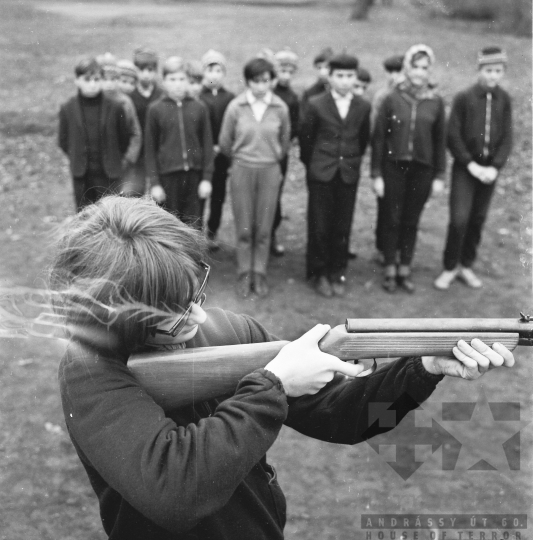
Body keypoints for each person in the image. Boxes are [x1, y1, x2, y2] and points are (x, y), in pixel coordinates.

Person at [53, 195, 515, 540]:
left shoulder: (232, 330)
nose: (199, 317)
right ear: (119, 319)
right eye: (173, 312)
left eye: (195, 293)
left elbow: (348, 421)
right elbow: (177, 493)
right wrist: (274, 386)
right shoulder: (90, 374)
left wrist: (423, 368)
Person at [434, 47, 513, 291]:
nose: (493, 76)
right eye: (488, 70)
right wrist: (470, 163)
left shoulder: (504, 99)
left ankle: (466, 265)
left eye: (497, 71)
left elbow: (507, 137)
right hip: (466, 168)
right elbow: (453, 134)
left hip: (489, 171)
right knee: (459, 219)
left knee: (477, 218)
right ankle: (450, 267)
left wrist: (495, 167)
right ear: (479, 70)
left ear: (503, 72)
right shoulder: (464, 98)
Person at [371, 44, 446, 294]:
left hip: (422, 170)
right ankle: (389, 268)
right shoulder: (392, 98)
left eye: (424, 68)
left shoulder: (435, 102)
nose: (419, 72)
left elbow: (440, 141)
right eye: (415, 67)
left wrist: (439, 175)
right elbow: (379, 138)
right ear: (407, 68)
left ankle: (405, 267)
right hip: (394, 167)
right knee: (392, 218)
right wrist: (376, 174)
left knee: (411, 220)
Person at [299, 53, 371, 298]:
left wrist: (350, 161)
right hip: (321, 172)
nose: (344, 81)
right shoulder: (316, 103)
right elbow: (306, 140)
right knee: (319, 225)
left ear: (355, 77)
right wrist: (316, 165)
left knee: (342, 224)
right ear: (329, 77)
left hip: (348, 173)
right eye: (339, 75)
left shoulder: (363, 106)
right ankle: (318, 272)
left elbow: (363, 139)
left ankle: (337, 270)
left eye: (350, 76)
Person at [219, 57, 290, 298]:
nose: (261, 86)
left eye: (265, 81)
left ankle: (259, 272)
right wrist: (242, 159)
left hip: (269, 170)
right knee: (244, 226)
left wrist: (270, 157)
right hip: (242, 169)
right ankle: (244, 272)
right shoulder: (236, 107)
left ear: (272, 82)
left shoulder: (280, 108)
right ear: (248, 82)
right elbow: (225, 142)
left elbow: (285, 142)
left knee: (264, 226)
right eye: (255, 81)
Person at [145, 57, 214, 227]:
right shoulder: (155, 109)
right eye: (172, 79)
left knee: (194, 226)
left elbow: (207, 145)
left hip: (194, 177)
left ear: (188, 80)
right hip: (168, 178)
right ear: (164, 82)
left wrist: (206, 179)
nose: (178, 84)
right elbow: (150, 150)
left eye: (182, 79)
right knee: (170, 227)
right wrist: (155, 184)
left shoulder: (199, 107)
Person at [58, 57, 131, 211]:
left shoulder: (115, 107)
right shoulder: (68, 108)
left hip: (109, 173)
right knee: (85, 215)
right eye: (87, 79)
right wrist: (77, 156)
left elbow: (124, 138)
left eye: (96, 79)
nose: (92, 84)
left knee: (111, 214)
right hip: (82, 175)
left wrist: (114, 157)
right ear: (77, 80)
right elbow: (63, 141)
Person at [198, 49, 235, 249]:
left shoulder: (230, 98)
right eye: (210, 70)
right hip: (202, 156)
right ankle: (196, 233)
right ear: (204, 72)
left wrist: (223, 146)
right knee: (200, 195)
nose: (214, 75)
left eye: (219, 70)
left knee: (218, 196)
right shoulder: (198, 96)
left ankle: (212, 231)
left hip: (222, 155)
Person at [370, 54, 405, 266]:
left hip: (405, 158)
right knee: (385, 206)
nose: (395, 76)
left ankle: (399, 248)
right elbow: (375, 129)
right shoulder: (382, 96)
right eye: (391, 72)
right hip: (386, 158)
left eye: (399, 71)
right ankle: (382, 247)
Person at [98, 53, 143, 196]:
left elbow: (135, 133)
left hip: (120, 162)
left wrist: (128, 158)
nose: (109, 84)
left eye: (113, 79)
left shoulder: (124, 102)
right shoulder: (93, 102)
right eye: (104, 79)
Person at [271, 47, 300, 257]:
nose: (286, 76)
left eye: (290, 72)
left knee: (276, 193)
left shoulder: (292, 98)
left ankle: (272, 233)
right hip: (262, 151)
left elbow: (294, 127)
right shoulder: (268, 92)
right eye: (282, 70)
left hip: (280, 153)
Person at [130, 47, 165, 198]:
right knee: (136, 190)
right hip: (138, 151)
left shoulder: (161, 94)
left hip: (157, 148)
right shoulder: (131, 95)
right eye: (141, 70)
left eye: (150, 70)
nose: (146, 74)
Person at [300, 47, 334, 111]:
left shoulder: (340, 89)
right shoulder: (310, 93)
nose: (323, 72)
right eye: (319, 68)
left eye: (327, 67)